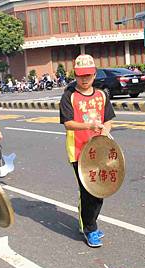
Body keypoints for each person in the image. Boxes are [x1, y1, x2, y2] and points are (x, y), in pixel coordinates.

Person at [59, 54, 115, 248]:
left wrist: (105, 130)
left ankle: (88, 218)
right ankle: (90, 228)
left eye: (88, 75)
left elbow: (108, 119)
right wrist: (89, 126)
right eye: (81, 75)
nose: (84, 79)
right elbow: (68, 123)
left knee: (100, 191)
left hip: (99, 150)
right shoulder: (69, 96)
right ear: (75, 74)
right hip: (79, 151)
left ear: (94, 74)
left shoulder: (101, 95)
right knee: (88, 190)